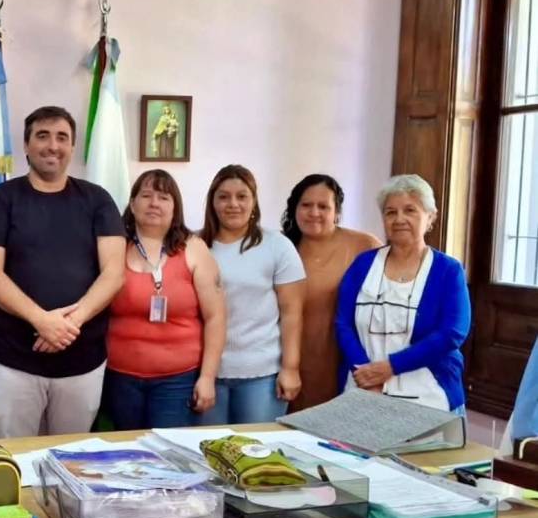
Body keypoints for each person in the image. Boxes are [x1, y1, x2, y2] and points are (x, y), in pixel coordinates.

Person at [0, 106, 126, 438]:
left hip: (82, 361)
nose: (52, 146)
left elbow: (114, 274)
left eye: (62, 137)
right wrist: (42, 321)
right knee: (13, 459)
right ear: (26, 145)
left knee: (71, 458)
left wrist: (69, 324)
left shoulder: (98, 200)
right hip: (12, 361)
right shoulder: (1, 199)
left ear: (72, 146)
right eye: (42, 136)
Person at [335, 174, 471, 412]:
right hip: (364, 386)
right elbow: (342, 322)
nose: (399, 219)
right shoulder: (363, 264)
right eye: (390, 212)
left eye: (410, 210)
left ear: (430, 217)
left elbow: (452, 332)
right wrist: (366, 372)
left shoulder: (448, 270)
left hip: (430, 394)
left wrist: (390, 367)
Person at [103, 169, 225, 429]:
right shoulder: (114, 247)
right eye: (146, 195)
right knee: (127, 450)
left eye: (163, 197)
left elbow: (216, 317)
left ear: (175, 208)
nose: (154, 203)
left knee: (168, 451)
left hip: (178, 381)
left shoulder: (194, 248)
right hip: (119, 379)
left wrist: (207, 377)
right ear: (132, 204)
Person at [199, 164, 306, 424]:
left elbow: (292, 314)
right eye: (223, 197)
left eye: (242, 196)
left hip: (261, 375)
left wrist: (290, 368)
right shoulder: (195, 245)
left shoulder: (277, 246)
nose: (233, 204)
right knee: (205, 447)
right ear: (212, 202)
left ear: (254, 201)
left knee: (257, 447)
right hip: (205, 373)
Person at [280, 174, 380, 411]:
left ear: (337, 212)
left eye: (323, 206)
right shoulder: (282, 247)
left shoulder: (364, 245)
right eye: (306, 205)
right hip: (290, 359)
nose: (314, 212)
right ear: (294, 209)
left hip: (346, 357)